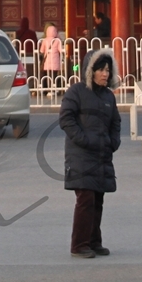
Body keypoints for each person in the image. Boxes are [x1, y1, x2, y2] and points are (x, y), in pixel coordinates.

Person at [59, 48, 122, 257]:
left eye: (107, 70)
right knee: (85, 199)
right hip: (81, 156)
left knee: (98, 199)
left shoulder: (108, 96)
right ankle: (79, 245)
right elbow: (66, 119)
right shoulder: (76, 92)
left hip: (102, 155)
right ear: (90, 70)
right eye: (101, 70)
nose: (105, 74)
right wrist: (84, 140)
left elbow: (115, 122)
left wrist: (113, 142)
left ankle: (94, 242)